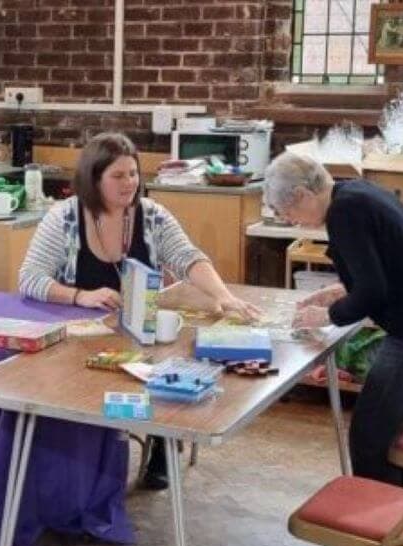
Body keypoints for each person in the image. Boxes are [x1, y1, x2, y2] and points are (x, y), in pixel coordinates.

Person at [18, 132, 261, 490]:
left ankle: (162, 443)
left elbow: (187, 258)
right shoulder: (63, 218)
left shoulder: (153, 217)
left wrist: (222, 296)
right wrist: (78, 296)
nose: (129, 182)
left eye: (133, 174)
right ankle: (87, 459)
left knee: (170, 359)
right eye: (118, 176)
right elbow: (29, 278)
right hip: (81, 336)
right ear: (93, 178)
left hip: (138, 333)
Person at [264, 153, 403, 546]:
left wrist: (329, 316)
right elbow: (385, 265)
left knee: (370, 435)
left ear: (303, 194)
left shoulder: (345, 215)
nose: (291, 220)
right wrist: (340, 291)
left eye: (287, 211)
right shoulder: (354, 192)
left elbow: (373, 292)